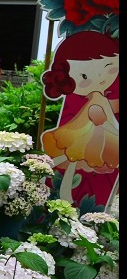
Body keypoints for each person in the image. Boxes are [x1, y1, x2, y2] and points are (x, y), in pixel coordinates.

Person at [40, 31, 119, 206]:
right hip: (87, 139)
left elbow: (110, 110)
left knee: (71, 166)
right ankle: (61, 199)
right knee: (71, 165)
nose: (100, 78)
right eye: (84, 76)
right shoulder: (96, 101)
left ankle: (63, 199)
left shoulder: (98, 97)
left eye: (110, 68)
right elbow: (102, 121)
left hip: (91, 138)